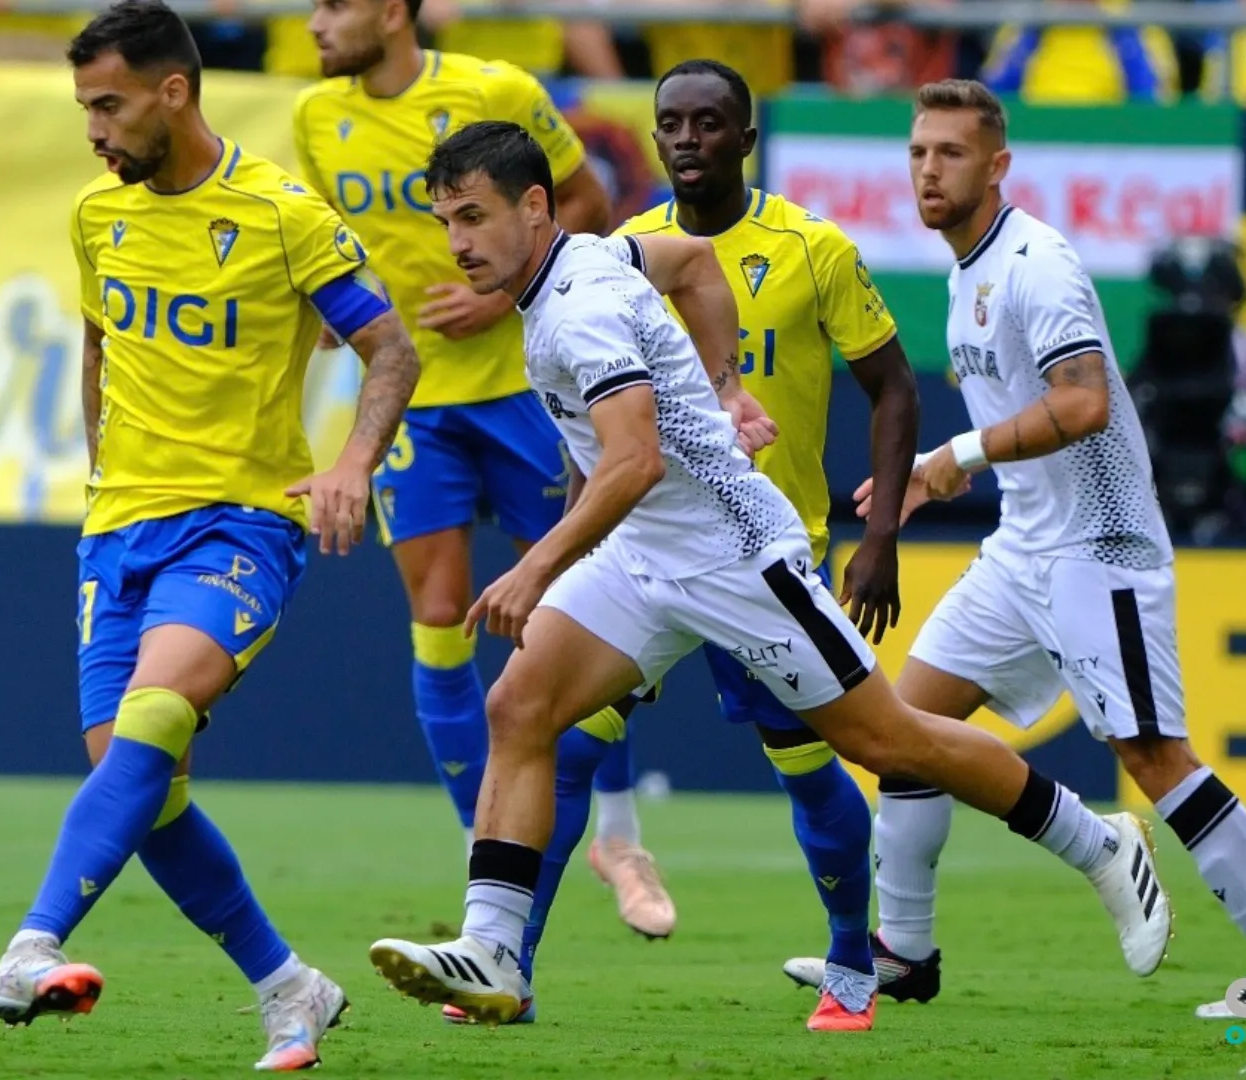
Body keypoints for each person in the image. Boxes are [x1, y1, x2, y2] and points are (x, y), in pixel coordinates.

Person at [367, 119, 1173, 1030]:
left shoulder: (580, 308)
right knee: (519, 708)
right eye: (446, 223)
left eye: (474, 216)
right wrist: (723, 381)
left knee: (891, 743)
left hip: (736, 555)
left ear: (537, 205)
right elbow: (698, 268)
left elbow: (631, 464)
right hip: (645, 558)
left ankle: (1100, 842)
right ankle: (494, 952)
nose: (459, 243)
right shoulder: (608, 254)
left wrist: (538, 567)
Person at [787, 79, 1246, 1020]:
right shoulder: (962, 271)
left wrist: (957, 458)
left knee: (1152, 753)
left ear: (997, 165)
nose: (928, 170)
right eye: (917, 153)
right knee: (904, 733)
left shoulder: (1037, 265)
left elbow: (1084, 405)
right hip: (1023, 547)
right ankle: (905, 952)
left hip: (1099, 545)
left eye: (949, 153)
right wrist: (957, 471)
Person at [0, 3, 421, 1070]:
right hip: (117, 533)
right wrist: (101, 482)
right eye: (84, 105)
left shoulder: (279, 216)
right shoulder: (96, 215)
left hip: (237, 525)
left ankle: (32, 944)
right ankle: (290, 988)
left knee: (157, 714)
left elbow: (391, 348)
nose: (93, 128)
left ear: (174, 93)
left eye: (108, 104)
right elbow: (99, 346)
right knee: (143, 789)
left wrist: (351, 464)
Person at [443, 58, 920, 1033]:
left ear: (746, 138)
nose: (689, 138)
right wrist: (570, 557)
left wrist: (881, 534)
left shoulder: (810, 246)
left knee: (815, 763)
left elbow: (893, 389)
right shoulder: (623, 248)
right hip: (646, 557)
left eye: (711, 122)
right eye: (672, 123)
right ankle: (505, 968)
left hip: (757, 553)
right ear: (655, 139)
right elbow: (604, 433)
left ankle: (851, 963)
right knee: (556, 740)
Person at [292, 0, 678, 938]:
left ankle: (620, 839)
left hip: (520, 389)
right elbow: (324, 269)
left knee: (571, 607)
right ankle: (488, 861)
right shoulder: (314, 120)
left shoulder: (492, 90)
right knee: (438, 621)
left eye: (333, 4)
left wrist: (500, 302)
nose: (312, 22)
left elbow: (584, 205)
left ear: (390, 11)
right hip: (415, 404)